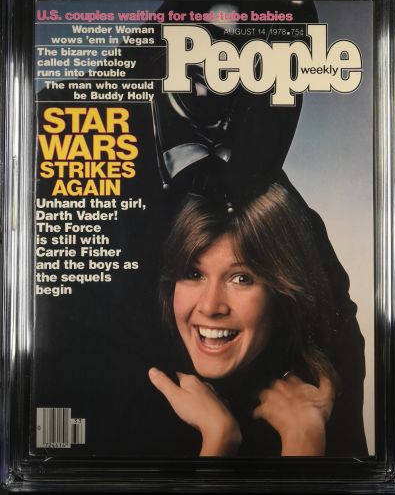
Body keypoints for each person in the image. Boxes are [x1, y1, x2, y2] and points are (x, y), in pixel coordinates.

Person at [148, 182, 365, 457]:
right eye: (193, 274)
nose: (210, 306)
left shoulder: (322, 382)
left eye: (241, 278)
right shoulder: (145, 399)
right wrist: (220, 437)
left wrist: (303, 435)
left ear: (281, 295)